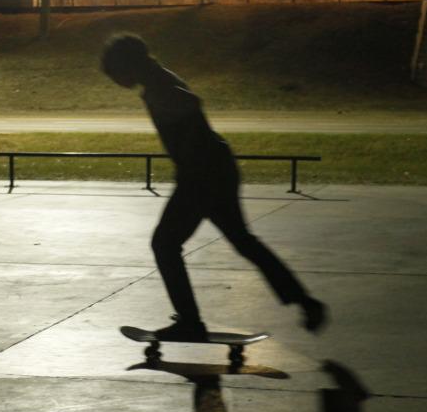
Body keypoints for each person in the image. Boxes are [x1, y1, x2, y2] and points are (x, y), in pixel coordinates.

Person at [100, 32, 327, 340]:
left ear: (128, 65)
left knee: (165, 244)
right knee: (243, 240)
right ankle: (305, 302)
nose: (115, 80)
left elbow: (190, 103)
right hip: (216, 167)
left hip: (202, 174)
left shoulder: (159, 85)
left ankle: (190, 321)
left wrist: (190, 166)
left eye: (115, 73)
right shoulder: (157, 78)